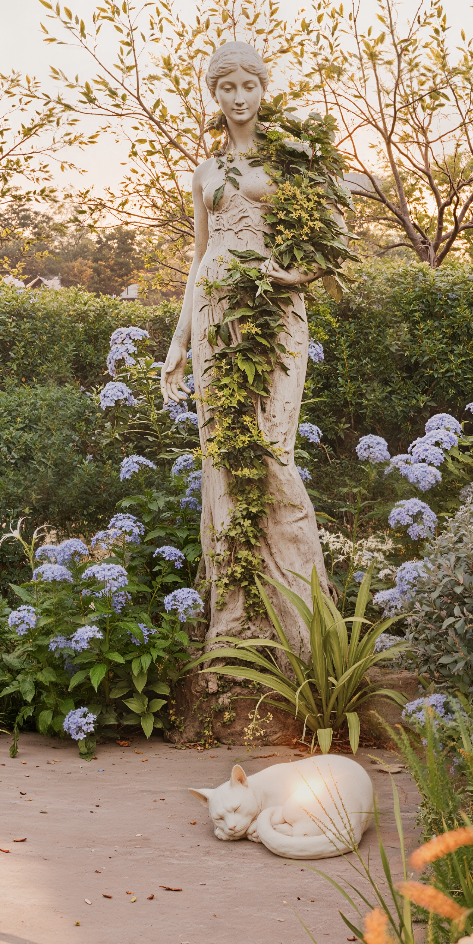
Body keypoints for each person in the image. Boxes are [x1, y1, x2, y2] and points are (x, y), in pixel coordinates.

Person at [162, 40, 330, 653]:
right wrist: (178, 341)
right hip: (216, 312)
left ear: (263, 89)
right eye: (225, 88)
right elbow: (199, 257)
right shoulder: (206, 171)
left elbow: (329, 242)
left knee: (272, 448)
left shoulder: (294, 162)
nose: (237, 99)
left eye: (247, 87)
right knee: (224, 454)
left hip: (276, 312)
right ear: (214, 93)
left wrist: (296, 276)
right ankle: (236, 619)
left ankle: (301, 619)